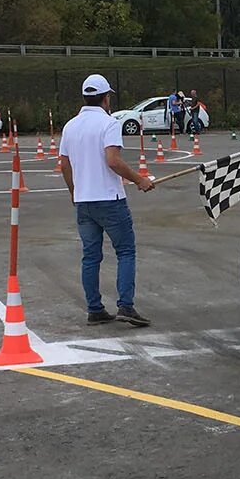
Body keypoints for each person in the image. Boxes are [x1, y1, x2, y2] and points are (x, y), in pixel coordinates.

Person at [58, 73, 155, 327]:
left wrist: (73, 191)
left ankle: (95, 309)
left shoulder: (70, 126)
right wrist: (139, 180)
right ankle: (125, 305)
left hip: (84, 201)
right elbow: (112, 160)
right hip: (109, 199)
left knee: (90, 256)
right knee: (125, 251)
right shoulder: (109, 123)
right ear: (105, 97)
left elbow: (64, 164)